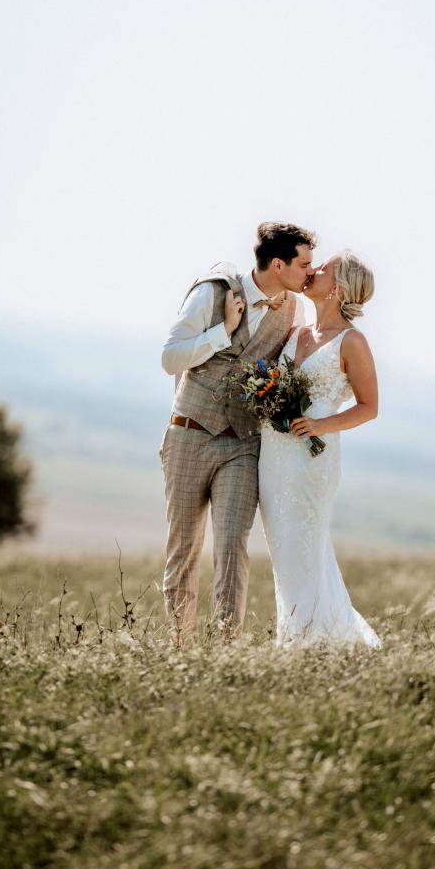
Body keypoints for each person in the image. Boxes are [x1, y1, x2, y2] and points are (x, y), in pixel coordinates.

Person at [160, 222, 314, 641]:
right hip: (190, 433)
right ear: (278, 264)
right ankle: (180, 647)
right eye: (304, 264)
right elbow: (170, 358)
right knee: (184, 550)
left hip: (243, 445)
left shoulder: (295, 310)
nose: (310, 272)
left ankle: (225, 649)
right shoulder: (212, 291)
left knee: (232, 545)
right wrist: (222, 332)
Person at [258, 251, 382, 647]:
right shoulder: (296, 333)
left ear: (340, 287)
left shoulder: (352, 342)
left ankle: (310, 644)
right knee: (284, 555)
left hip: (312, 460)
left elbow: (369, 407)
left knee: (307, 552)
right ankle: (301, 638)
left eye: (322, 269)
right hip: (273, 459)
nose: (312, 271)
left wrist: (321, 424)